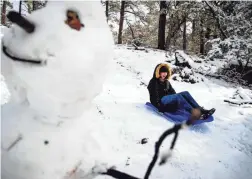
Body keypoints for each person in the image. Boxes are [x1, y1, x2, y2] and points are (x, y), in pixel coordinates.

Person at [147, 63, 215, 119]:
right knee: (179, 96)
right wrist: (159, 107)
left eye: (166, 72)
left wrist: (176, 101)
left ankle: (201, 110)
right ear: (158, 72)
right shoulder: (153, 82)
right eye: (162, 72)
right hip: (161, 101)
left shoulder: (167, 82)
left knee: (185, 93)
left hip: (168, 99)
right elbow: (153, 96)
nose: (164, 74)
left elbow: (173, 93)